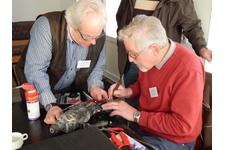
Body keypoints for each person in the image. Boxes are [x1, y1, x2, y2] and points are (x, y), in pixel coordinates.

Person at [102, 15, 205, 150]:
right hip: (146, 126)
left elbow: (182, 126)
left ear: (154, 49)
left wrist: (135, 115)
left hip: (173, 139)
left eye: (133, 54)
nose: (130, 59)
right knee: (102, 132)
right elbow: (144, 84)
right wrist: (129, 91)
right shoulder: (150, 59)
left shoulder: (188, 70)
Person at [16, 0, 108, 124]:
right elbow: (35, 70)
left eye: (97, 36)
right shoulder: (47, 26)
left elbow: (97, 66)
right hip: (40, 90)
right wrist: (50, 104)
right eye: (87, 37)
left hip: (71, 91)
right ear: (71, 25)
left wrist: (94, 86)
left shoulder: (95, 33)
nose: (93, 42)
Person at [116, 0, 212, 88]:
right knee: (131, 94)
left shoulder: (181, 1)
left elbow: (192, 26)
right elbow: (121, 21)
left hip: (161, 64)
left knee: (155, 100)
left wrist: (201, 48)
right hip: (133, 62)